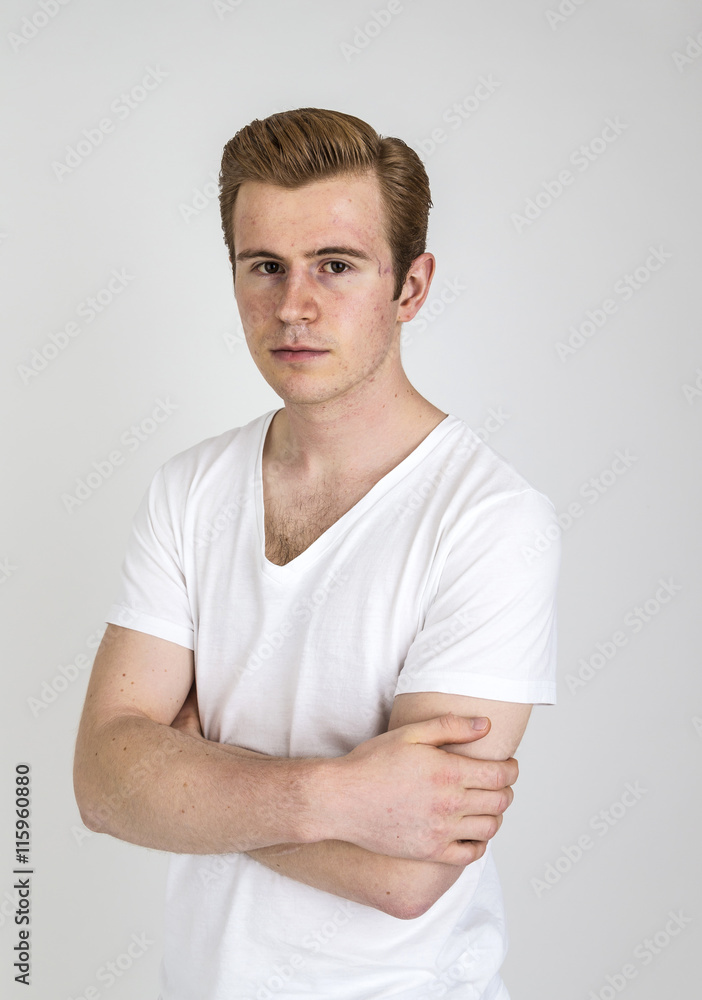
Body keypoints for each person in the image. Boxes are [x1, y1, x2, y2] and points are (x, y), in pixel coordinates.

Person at [73, 107, 560, 1000]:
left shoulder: (491, 520)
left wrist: (188, 766)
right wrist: (338, 797)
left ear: (409, 287)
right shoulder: (187, 490)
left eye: (335, 266)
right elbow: (102, 786)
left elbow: (405, 875)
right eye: (265, 267)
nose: (293, 305)